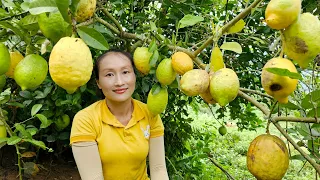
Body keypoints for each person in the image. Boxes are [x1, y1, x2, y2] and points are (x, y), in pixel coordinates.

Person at [70, 49, 169, 180]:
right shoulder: (86, 119)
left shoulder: (150, 113)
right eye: (109, 75)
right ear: (98, 83)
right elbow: (93, 177)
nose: (119, 82)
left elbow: (158, 169)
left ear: (135, 75)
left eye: (125, 72)